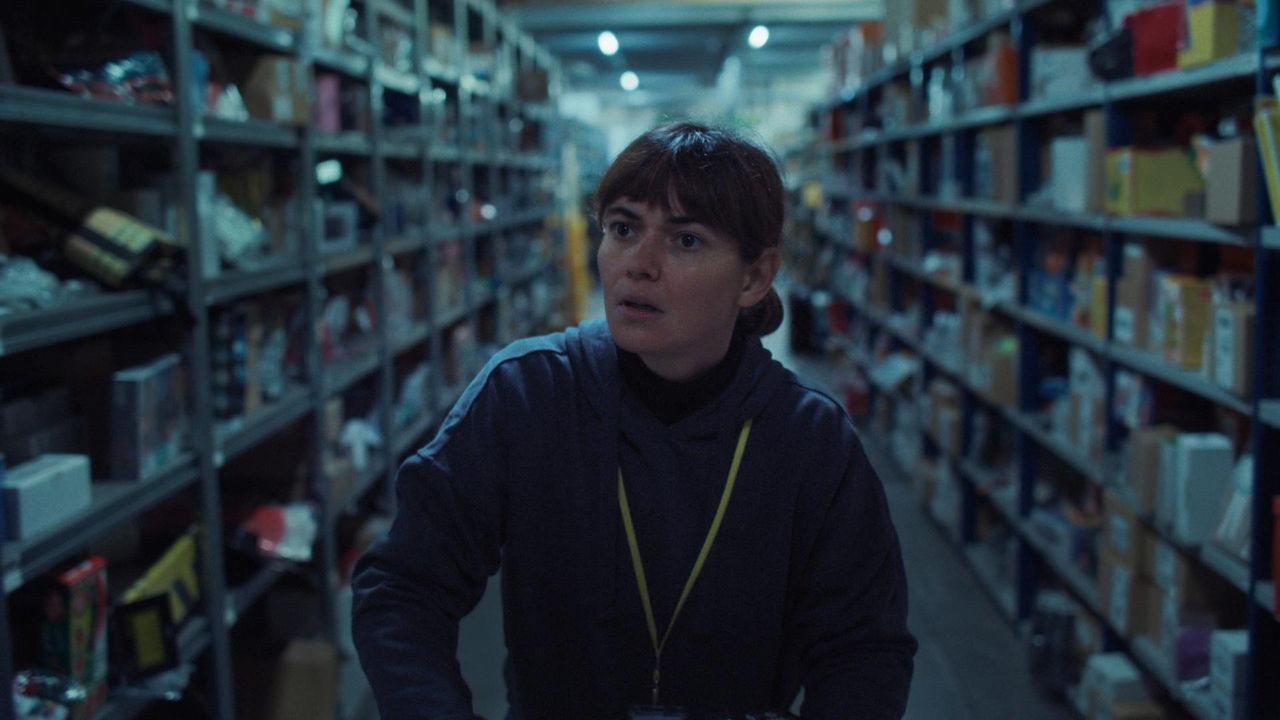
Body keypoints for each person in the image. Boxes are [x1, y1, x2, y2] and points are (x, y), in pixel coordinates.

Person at [352, 121, 916, 720]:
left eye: (686, 240)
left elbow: (864, 649)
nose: (638, 265)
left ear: (754, 277)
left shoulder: (810, 439)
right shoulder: (528, 394)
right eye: (623, 229)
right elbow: (404, 587)